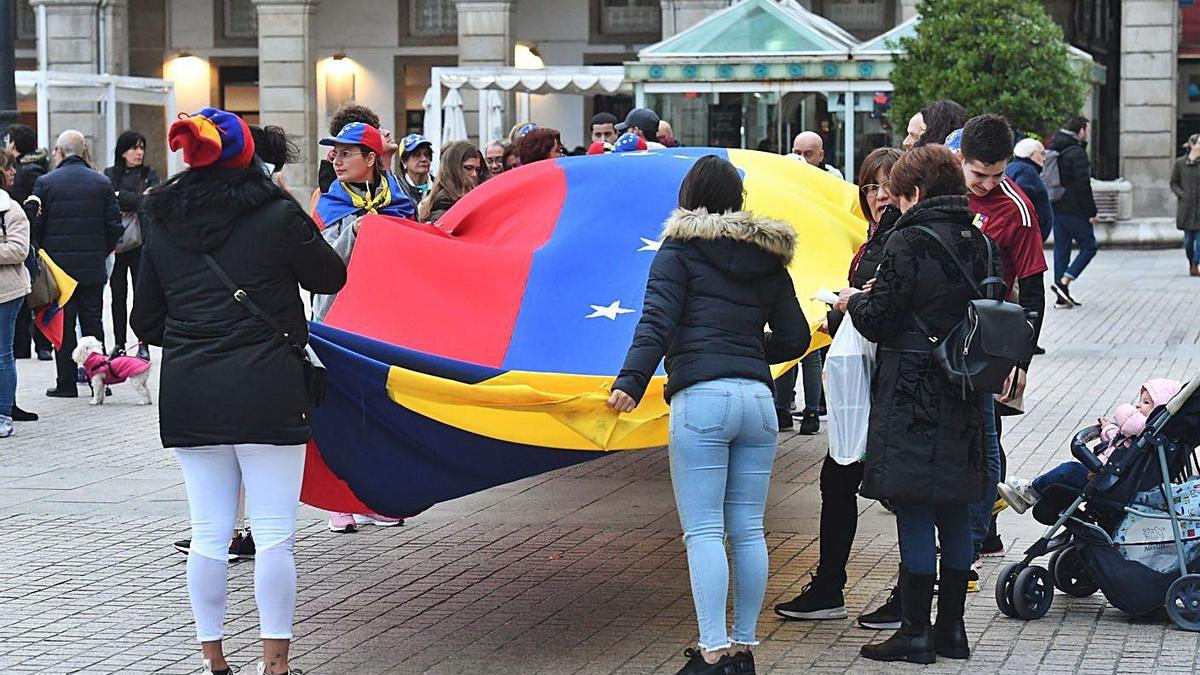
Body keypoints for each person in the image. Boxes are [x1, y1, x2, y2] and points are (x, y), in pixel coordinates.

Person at [131, 107, 346, 675]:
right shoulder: (276, 213)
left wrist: (194, 332)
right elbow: (330, 277)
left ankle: (214, 661)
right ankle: (275, 666)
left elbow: (145, 320)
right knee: (275, 534)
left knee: (208, 532)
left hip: (192, 389)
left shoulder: (159, 215)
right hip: (271, 387)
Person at [608, 155, 810, 675]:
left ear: (687, 196)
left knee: (703, 531)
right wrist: (744, 348)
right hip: (759, 403)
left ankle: (712, 651)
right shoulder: (768, 256)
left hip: (701, 399)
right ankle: (744, 651)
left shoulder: (678, 251)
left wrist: (630, 382)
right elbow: (795, 338)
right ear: (738, 202)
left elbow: (657, 321)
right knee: (747, 529)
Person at [839, 144, 997, 664]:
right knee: (953, 506)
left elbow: (879, 318)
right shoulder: (979, 239)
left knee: (913, 505)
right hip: (966, 387)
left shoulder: (907, 241)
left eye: (898, 194)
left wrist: (854, 301)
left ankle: (913, 633)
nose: (893, 202)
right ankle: (952, 630)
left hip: (913, 390)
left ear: (914, 193)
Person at [774, 147, 903, 624]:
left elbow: (888, 310)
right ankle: (831, 586)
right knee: (839, 478)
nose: (879, 195)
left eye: (888, 185)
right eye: (871, 186)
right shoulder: (873, 239)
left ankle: (903, 597)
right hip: (862, 382)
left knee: (898, 491)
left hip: (891, 384)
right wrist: (839, 313)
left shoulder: (901, 239)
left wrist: (850, 308)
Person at [956, 114, 1045, 563]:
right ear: (961, 159)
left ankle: (977, 536)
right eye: (978, 174)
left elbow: (1033, 293)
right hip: (944, 332)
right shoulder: (945, 190)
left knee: (987, 436)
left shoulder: (1019, 210)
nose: (987, 185)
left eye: (996, 174)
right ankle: (978, 531)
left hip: (992, 339)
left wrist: (1020, 362)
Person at [27, 130, 122, 398]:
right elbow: (114, 226)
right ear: (82, 151)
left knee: (63, 326)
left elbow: (36, 224)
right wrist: (100, 252)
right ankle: (98, 381)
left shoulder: (45, 183)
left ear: (59, 151)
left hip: (59, 272)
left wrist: (46, 252)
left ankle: (66, 383)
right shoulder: (101, 182)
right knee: (92, 323)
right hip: (92, 267)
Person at [1000, 379, 1184, 513]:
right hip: (1115, 477)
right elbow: (1119, 437)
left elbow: (1126, 417)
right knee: (1062, 486)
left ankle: (1031, 490)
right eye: (1139, 400)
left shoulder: (1144, 427)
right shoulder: (1145, 434)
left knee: (1069, 470)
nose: (1137, 405)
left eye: (1146, 403)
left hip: (1110, 482)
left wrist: (1115, 423)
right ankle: (1028, 498)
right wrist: (1108, 429)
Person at [103, 131, 159, 361]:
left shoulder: (149, 174)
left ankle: (142, 342)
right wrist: (137, 199)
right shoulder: (110, 173)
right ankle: (119, 342)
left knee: (141, 294)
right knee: (118, 295)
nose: (139, 152)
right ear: (122, 151)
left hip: (142, 243)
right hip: (117, 243)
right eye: (133, 148)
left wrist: (122, 197)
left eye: (141, 147)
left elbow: (151, 201)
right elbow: (110, 200)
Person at [5, 124, 53, 364]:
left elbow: (20, 213)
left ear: (15, 144)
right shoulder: (44, 168)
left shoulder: (22, 173)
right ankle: (44, 346)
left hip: (26, 240)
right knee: (41, 294)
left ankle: (23, 346)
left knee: (23, 295)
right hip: (40, 240)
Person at [1049, 114, 1098, 307]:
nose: (1088, 133)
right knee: (1090, 246)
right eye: (1087, 129)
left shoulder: (1056, 147)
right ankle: (1064, 281)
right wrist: (1091, 211)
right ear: (1081, 131)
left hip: (1057, 206)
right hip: (1074, 209)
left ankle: (1062, 295)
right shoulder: (1076, 153)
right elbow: (1083, 185)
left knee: (1061, 249)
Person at [0, 151, 31, 438]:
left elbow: (19, 250)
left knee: (2, 353)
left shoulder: (11, 210)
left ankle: (4, 413)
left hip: (6, 292)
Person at [418, 141, 483, 224]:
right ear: (454, 169)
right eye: (468, 168)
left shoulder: (455, 197)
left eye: (477, 169)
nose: (474, 174)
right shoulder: (444, 201)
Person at [1006, 137, 1055, 242]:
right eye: (1042, 153)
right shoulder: (1027, 170)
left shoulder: (1012, 167)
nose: (1044, 158)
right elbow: (1021, 195)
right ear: (1031, 154)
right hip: (1028, 235)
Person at [1170, 133, 1200, 277]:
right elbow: (1173, 183)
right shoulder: (1180, 163)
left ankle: (1196, 263)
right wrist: (1182, 194)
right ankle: (1191, 261)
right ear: (1193, 145)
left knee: (1199, 241)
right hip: (1186, 208)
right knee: (1188, 241)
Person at [396, 134, 434, 205]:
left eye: (427, 155)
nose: (424, 159)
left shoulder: (439, 186)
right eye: (417, 155)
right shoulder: (397, 189)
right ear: (404, 162)